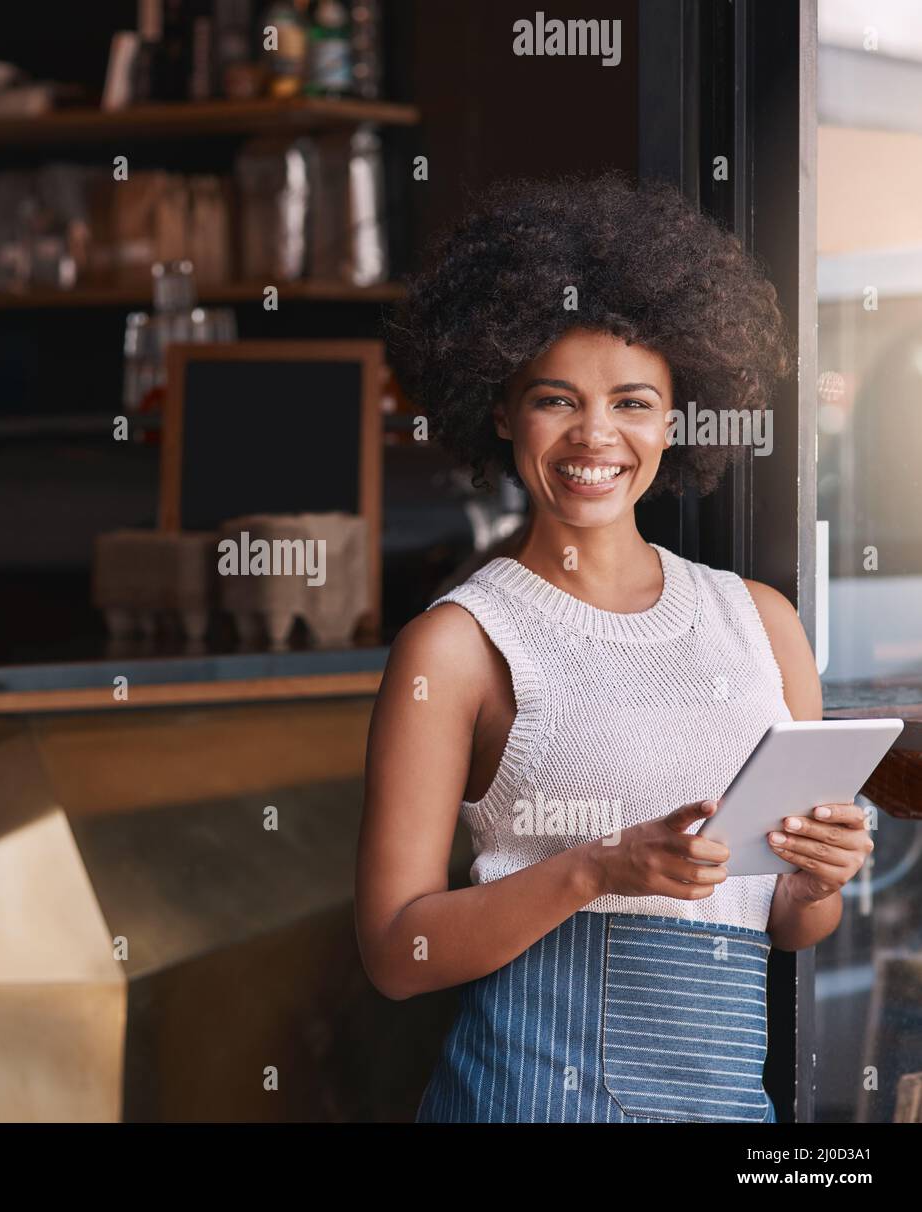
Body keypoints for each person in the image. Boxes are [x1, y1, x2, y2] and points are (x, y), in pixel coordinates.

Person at [355, 172, 873, 1123]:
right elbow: (396, 954)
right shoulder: (457, 646)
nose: (596, 436)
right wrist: (593, 870)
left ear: (675, 419)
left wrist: (817, 875)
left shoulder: (762, 622)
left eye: (633, 402)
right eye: (556, 399)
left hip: (722, 1104)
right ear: (502, 409)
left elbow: (797, 926)